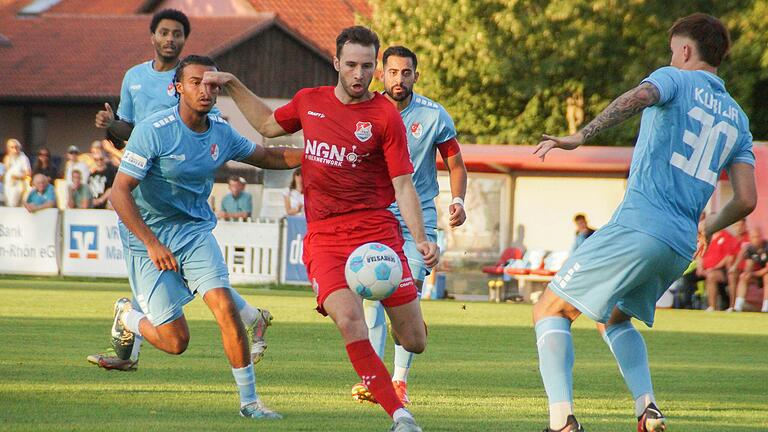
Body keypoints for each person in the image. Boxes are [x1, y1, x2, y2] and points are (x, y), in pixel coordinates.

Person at [203, 26, 438, 432]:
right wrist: (233, 84)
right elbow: (266, 125)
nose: (359, 74)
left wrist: (420, 238)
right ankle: (400, 416)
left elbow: (403, 184)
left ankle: (405, 319)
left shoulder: (385, 116)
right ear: (336, 63)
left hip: (377, 235)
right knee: (350, 321)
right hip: (325, 238)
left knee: (414, 339)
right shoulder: (309, 102)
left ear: (376, 68)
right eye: (351, 65)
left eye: (367, 66)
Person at [532, 13, 756, 432]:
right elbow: (746, 200)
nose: (672, 57)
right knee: (614, 318)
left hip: (639, 224)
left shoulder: (674, 78)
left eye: (674, 51)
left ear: (685, 51)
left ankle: (561, 422)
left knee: (550, 310)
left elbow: (639, 96)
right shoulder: (738, 119)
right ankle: (647, 409)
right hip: (678, 247)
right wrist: (707, 227)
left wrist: (583, 134)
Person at [107, 55, 302, 418]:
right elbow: (119, 192)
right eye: (196, 82)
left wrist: (317, 154)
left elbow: (265, 156)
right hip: (147, 235)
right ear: (177, 87)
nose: (205, 90)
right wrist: (152, 243)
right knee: (176, 341)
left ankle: (250, 403)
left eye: (211, 84)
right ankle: (126, 316)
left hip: (194, 232)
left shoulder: (220, 131)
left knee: (226, 307)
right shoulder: (154, 129)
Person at [88, 10, 263, 372]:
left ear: (185, 39)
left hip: (186, 211)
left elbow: (232, 141)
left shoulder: (198, 77)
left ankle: (249, 340)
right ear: (152, 36)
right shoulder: (134, 78)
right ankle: (131, 334)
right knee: (165, 308)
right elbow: (126, 135)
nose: (170, 39)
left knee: (210, 287)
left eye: (177, 34)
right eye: (164, 32)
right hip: (144, 202)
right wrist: (111, 126)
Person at [353, 45, 467, 407]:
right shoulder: (364, 110)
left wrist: (458, 200)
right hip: (375, 213)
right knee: (373, 296)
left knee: (408, 298)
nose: (399, 79)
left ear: (416, 75)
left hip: (419, 217)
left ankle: (400, 382)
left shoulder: (434, 116)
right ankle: (375, 381)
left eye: (406, 73)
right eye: (392, 72)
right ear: (380, 74)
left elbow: (456, 164)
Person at [697, 227, 735, 311]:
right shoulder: (707, 237)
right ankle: (686, 304)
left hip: (720, 270)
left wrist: (713, 268)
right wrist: (700, 268)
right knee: (687, 278)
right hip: (705, 269)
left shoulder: (726, 236)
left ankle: (712, 307)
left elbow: (728, 257)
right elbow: (700, 254)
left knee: (711, 276)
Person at [733, 228, 768, 312]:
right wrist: (747, 273)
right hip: (758, 274)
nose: (755, 239)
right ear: (750, 238)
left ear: (761, 237)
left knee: (767, 277)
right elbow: (749, 266)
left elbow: (767, 269)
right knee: (743, 277)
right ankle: (738, 306)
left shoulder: (766, 247)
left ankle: (766, 308)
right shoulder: (750, 249)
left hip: (765, 273)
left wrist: (753, 274)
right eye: (753, 237)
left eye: (757, 237)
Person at [3, 138, 32, 207]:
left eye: (16, 147)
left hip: (18, 186)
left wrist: (18, 176)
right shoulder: (7, 158)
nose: (15, 149)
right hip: (7, 186)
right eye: (12, 147)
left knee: (13, 206)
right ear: (8, 149)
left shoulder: (23, 158)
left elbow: (28, 174)